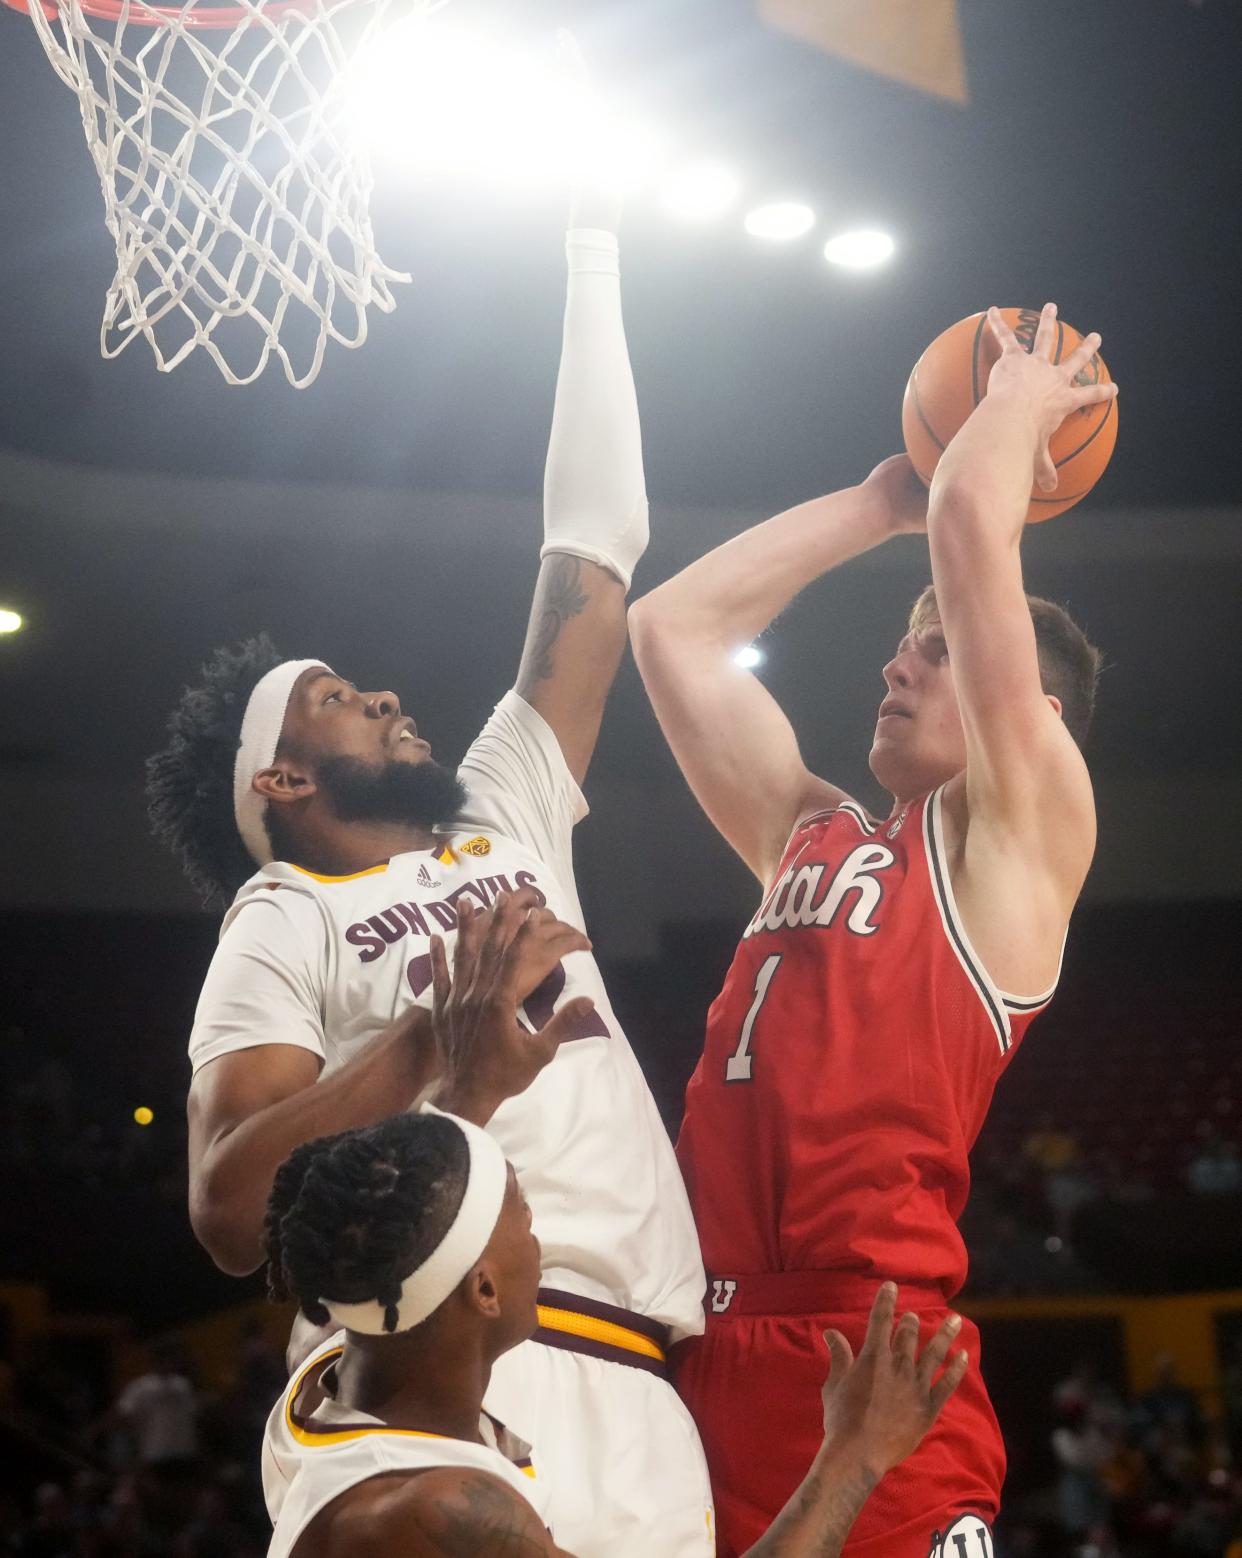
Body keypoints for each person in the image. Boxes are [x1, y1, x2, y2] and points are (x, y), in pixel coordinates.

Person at [145, 185, 712, 1555]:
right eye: (333, 696)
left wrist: (591, 248)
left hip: (639, 1377)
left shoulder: (498, 806)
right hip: (435, 1386)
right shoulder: (281, 915)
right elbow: (228, 1208)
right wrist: (424, 1040)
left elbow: (593, 544)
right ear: (280, 781)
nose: (382, 691)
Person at [628, 304, 1117, 1555]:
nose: (895, 670)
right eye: (901, 651)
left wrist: (1021, 399)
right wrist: (878, 503)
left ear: (1037, 712)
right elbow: (668, 630)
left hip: (873, 1357)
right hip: (703, 1345)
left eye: (936, 651)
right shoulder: (813, 833)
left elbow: (974, 525)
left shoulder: (1022, 834)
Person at [261, 906, 969, 1557]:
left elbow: (406, 1209)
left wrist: (468, 1097)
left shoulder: (336, 1387)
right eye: (525, 1219)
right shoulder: (443, 1512)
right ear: (481, 1288)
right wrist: (857, 1452)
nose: (539, 1241)